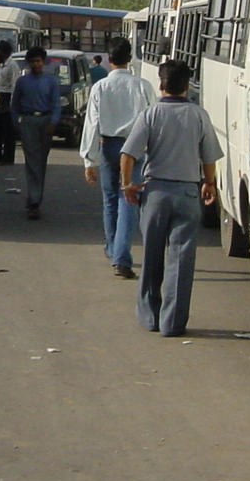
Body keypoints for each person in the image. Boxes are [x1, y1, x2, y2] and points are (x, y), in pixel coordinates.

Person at [121, 58, 222, 335]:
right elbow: (209, 157)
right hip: (188, 192)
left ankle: (150, 317)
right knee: (181, 259)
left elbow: (128, 154)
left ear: (161, 84)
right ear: (187, 86)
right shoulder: (199, 115)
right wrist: (209, 184)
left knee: (152, 255)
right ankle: (173, 323)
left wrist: (128, 184)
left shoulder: (150, 114)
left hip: (155, 193)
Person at [81, 39, 156, 279]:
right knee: (129, 199)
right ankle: (121, 258)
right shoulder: (143, 86)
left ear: (109, 59)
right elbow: (153, 121)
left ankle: (113, 249)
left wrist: (89, 161)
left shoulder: (100, 87)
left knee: (110, 199)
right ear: (130, 58)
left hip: (108, 145)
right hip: (135, 148)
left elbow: (91, 124)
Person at [12, 46, 61, 219]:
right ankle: (34, 202)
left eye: (38, 61)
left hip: (46, 123)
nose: (36, 64)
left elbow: (56, 105)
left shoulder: (52, 81)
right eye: (33, 61)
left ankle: (34, 197)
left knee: (41, 161)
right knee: (33, 162)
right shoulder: (22, 82)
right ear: (29, 63)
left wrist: (53, 123)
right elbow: (15, 105)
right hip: (28, 122)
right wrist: (16, 124)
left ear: (44, 62)